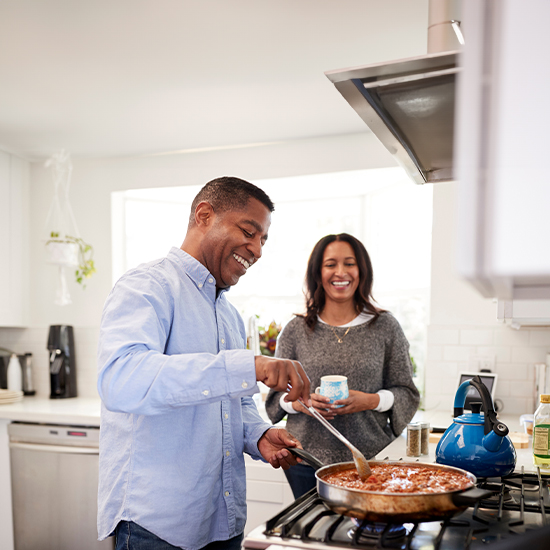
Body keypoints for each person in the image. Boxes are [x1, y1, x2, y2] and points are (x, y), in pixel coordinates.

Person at [97, 176, 311, 550]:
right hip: (157, 526)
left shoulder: (227, 313)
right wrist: (250, 367)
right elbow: (122, 380)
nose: (257, 250)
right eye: (249, 231)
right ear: (204, 215)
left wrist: (258, 434)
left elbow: (234, 404)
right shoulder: (146, 286)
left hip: (221, 518)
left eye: (263, 240)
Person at [265, 233, 420, 499]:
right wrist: (303, 404)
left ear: (362, 271)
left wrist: (370, 400)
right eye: (330, 264)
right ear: (318, 272)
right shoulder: (295, 330)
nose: (340, 272)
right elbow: (275, 400)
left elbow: (407, 392)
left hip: (371, 460)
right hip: (306, 461)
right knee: (313, 534)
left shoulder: (385, 327)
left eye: (349, 263)